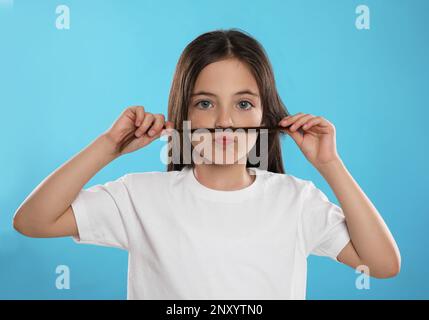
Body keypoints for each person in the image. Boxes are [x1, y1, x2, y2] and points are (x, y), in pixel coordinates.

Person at [13, 29, 401, 300]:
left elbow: (382, 264)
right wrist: (108, 147)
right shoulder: (140, 195)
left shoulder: (296, 201)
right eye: (205, 103)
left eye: (244, 103)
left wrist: (330, 164)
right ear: (183, 112)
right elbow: (32, 221)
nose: (224, 120)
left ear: (266, 115)